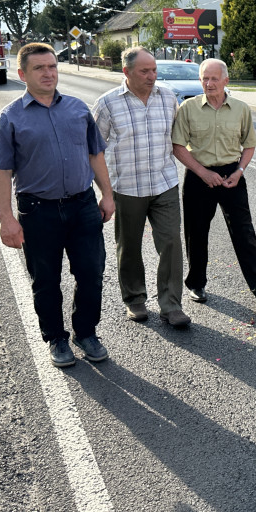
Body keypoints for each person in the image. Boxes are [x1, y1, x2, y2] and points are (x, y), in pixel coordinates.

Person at [0, 43, 115, 368]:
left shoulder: (78, 109)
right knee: (45, 279)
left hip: (82, 205)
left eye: (52, 66)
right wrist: (6, 219)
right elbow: (0, 172)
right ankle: (56, 337)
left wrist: (107, 194)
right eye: (39, 68)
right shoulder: (10, 118)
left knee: (91, 272)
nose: (48, 73)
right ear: (22, 74)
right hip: (38, 211)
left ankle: (86, 332)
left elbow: (95, 155)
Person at [92, 47, 191, 328]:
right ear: (126, 72)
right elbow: (93, 150)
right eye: (144, 71)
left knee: (171, 242)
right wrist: (104, 192)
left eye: (154, 70)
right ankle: (135, 299)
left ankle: (171, 305)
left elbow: (176, 138)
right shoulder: (107, 103)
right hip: (126, 187)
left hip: (164, 184)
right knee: (130, 246)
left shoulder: (168, 97)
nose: (151, 76)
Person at [171, 58, 256, 306]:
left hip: (232, 175)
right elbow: (177, 146)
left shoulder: (241, 109)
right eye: (204, 78)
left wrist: (239, 170)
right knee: (196, 232)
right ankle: (196, 284)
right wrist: (202, 172)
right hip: (198, 175)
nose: (208, 83)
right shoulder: (188, 108)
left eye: (214, 78)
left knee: (243, 231)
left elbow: (249, 145)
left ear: (226, 81)